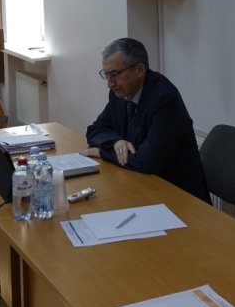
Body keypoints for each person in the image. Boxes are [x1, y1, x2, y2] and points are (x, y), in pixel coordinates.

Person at [83, 38, 210, 202]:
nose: (109, 84)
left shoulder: (165, 99)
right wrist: (115, 142)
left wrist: (102, 152)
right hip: (138, 183)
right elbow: (94, 130)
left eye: (114, 75)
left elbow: (146, 161)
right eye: (106, 76)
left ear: (140, 70)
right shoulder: (120, 94)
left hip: (179, 196)